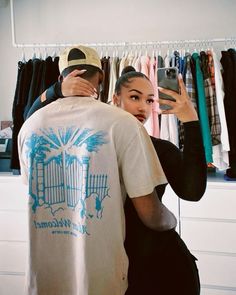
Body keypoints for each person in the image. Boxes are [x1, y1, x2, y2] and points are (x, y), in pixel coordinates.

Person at [18, 45, 177, 295]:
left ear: (62, 78)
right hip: (100, 278)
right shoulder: (122, 124)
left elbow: (32, 192)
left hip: (43, 278)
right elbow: (150, 214)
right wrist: (170, 220)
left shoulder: (29, 127)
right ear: (102, 77)